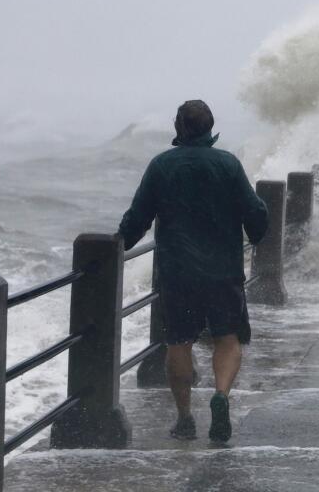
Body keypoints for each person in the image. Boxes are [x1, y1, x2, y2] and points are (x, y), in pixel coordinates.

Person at [118, 100, 268, 442]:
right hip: (223, 271)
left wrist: (120, 243)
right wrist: (258, 233)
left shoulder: (161, 165)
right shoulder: (228, 164)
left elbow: (138, 217)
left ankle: (185, 418)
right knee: (227, 339)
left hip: (178, 272)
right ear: (210, 127)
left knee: (179, 341)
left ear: (178, 127)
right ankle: (221, 396)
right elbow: (254, 210)